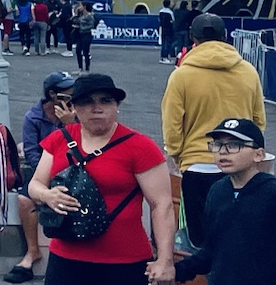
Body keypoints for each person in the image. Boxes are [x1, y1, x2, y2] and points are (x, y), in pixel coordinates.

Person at [27, 74, 175, 285]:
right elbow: (35, 184)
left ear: (116, 106)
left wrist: (165, 260)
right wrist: (47, 195)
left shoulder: (140, 146)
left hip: (124, 261)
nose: (97, 108)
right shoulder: (59, 139)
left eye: (106, 101)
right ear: (74, 108)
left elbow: (162, 205)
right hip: (66, 257)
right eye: (87, 102)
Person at [172, 117, 276, 285]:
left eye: (234, 145)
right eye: (217, 145)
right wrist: (177, 271)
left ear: (258, 155)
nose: (223, 151)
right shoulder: (218, 191)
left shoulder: (274, 194)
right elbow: (211, 250)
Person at [160, 13, 264, 250]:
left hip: (197, 165)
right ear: (225, 36)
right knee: (236, 240)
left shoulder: (181, 75)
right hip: (240, 167)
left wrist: (176, 154)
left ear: (192, 38)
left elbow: (172, 123)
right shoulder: (248, 71)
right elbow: (259, 121)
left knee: (198, 243)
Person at [2, 71, 79, 284]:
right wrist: (48, 177)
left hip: (75, 170)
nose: (72, 95)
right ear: (53, 94)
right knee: (25, 199)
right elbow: (32, 153)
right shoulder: (33, 117)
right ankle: (32, 251)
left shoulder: (77, 114)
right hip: (44, 171)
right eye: (67, 92)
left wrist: (70, 124)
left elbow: (83, 146)